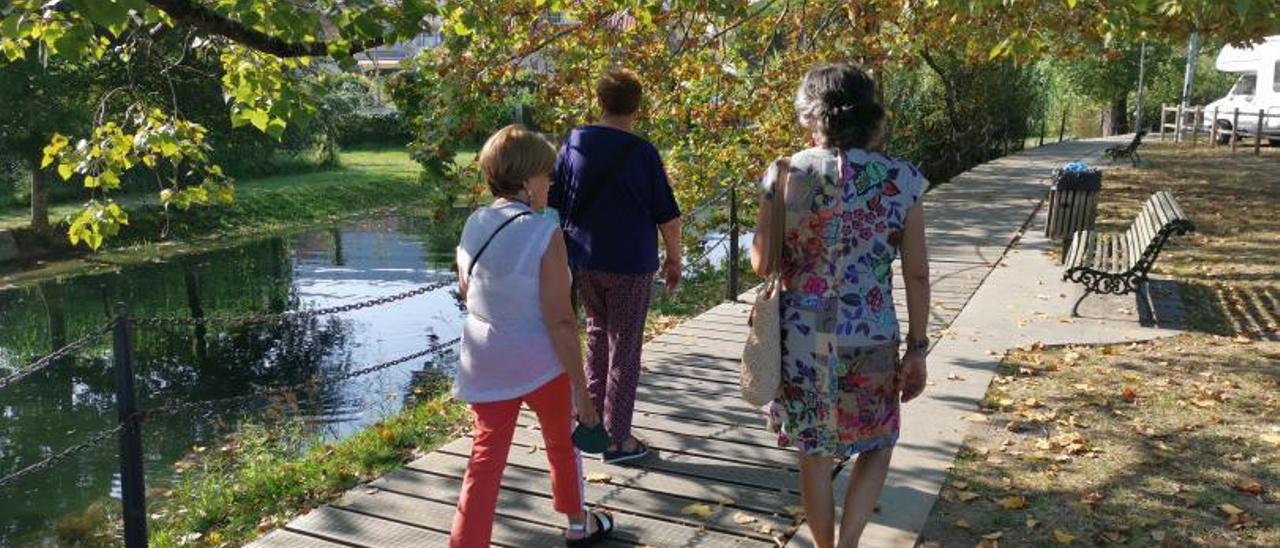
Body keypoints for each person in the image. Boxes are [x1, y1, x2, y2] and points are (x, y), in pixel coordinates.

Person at [750, 63, 931, 548]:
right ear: (869, 115)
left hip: (803, 339)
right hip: (871, 333)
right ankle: (849, 543)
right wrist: (917, 347)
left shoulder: (787, 173)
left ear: (812, 114)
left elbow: (762, 262)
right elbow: (916, 271)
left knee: (813, 449)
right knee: (878, 439)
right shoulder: (901, 178)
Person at [450, 125, 615, 547]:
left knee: (484, 460)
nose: (552, 182)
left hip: (485, 360)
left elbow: (468, 289)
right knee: (562, 444)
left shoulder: (474, 223)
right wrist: (582, 391)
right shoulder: (546, 233)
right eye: (547, 174)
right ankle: (579, 526)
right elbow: (561, 320)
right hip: (540, 361)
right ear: (526, 180)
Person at [550, 68, 682, 465]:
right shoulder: (643, 153)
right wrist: (674, 259)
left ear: (600, 101)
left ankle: (588, 421)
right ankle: (617, 439)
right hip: (630, 264)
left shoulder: (573, 142)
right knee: (625, 348)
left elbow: (555, 202)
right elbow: (668, 218)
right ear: (636, 107)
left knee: (595, 335)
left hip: (583, 259)